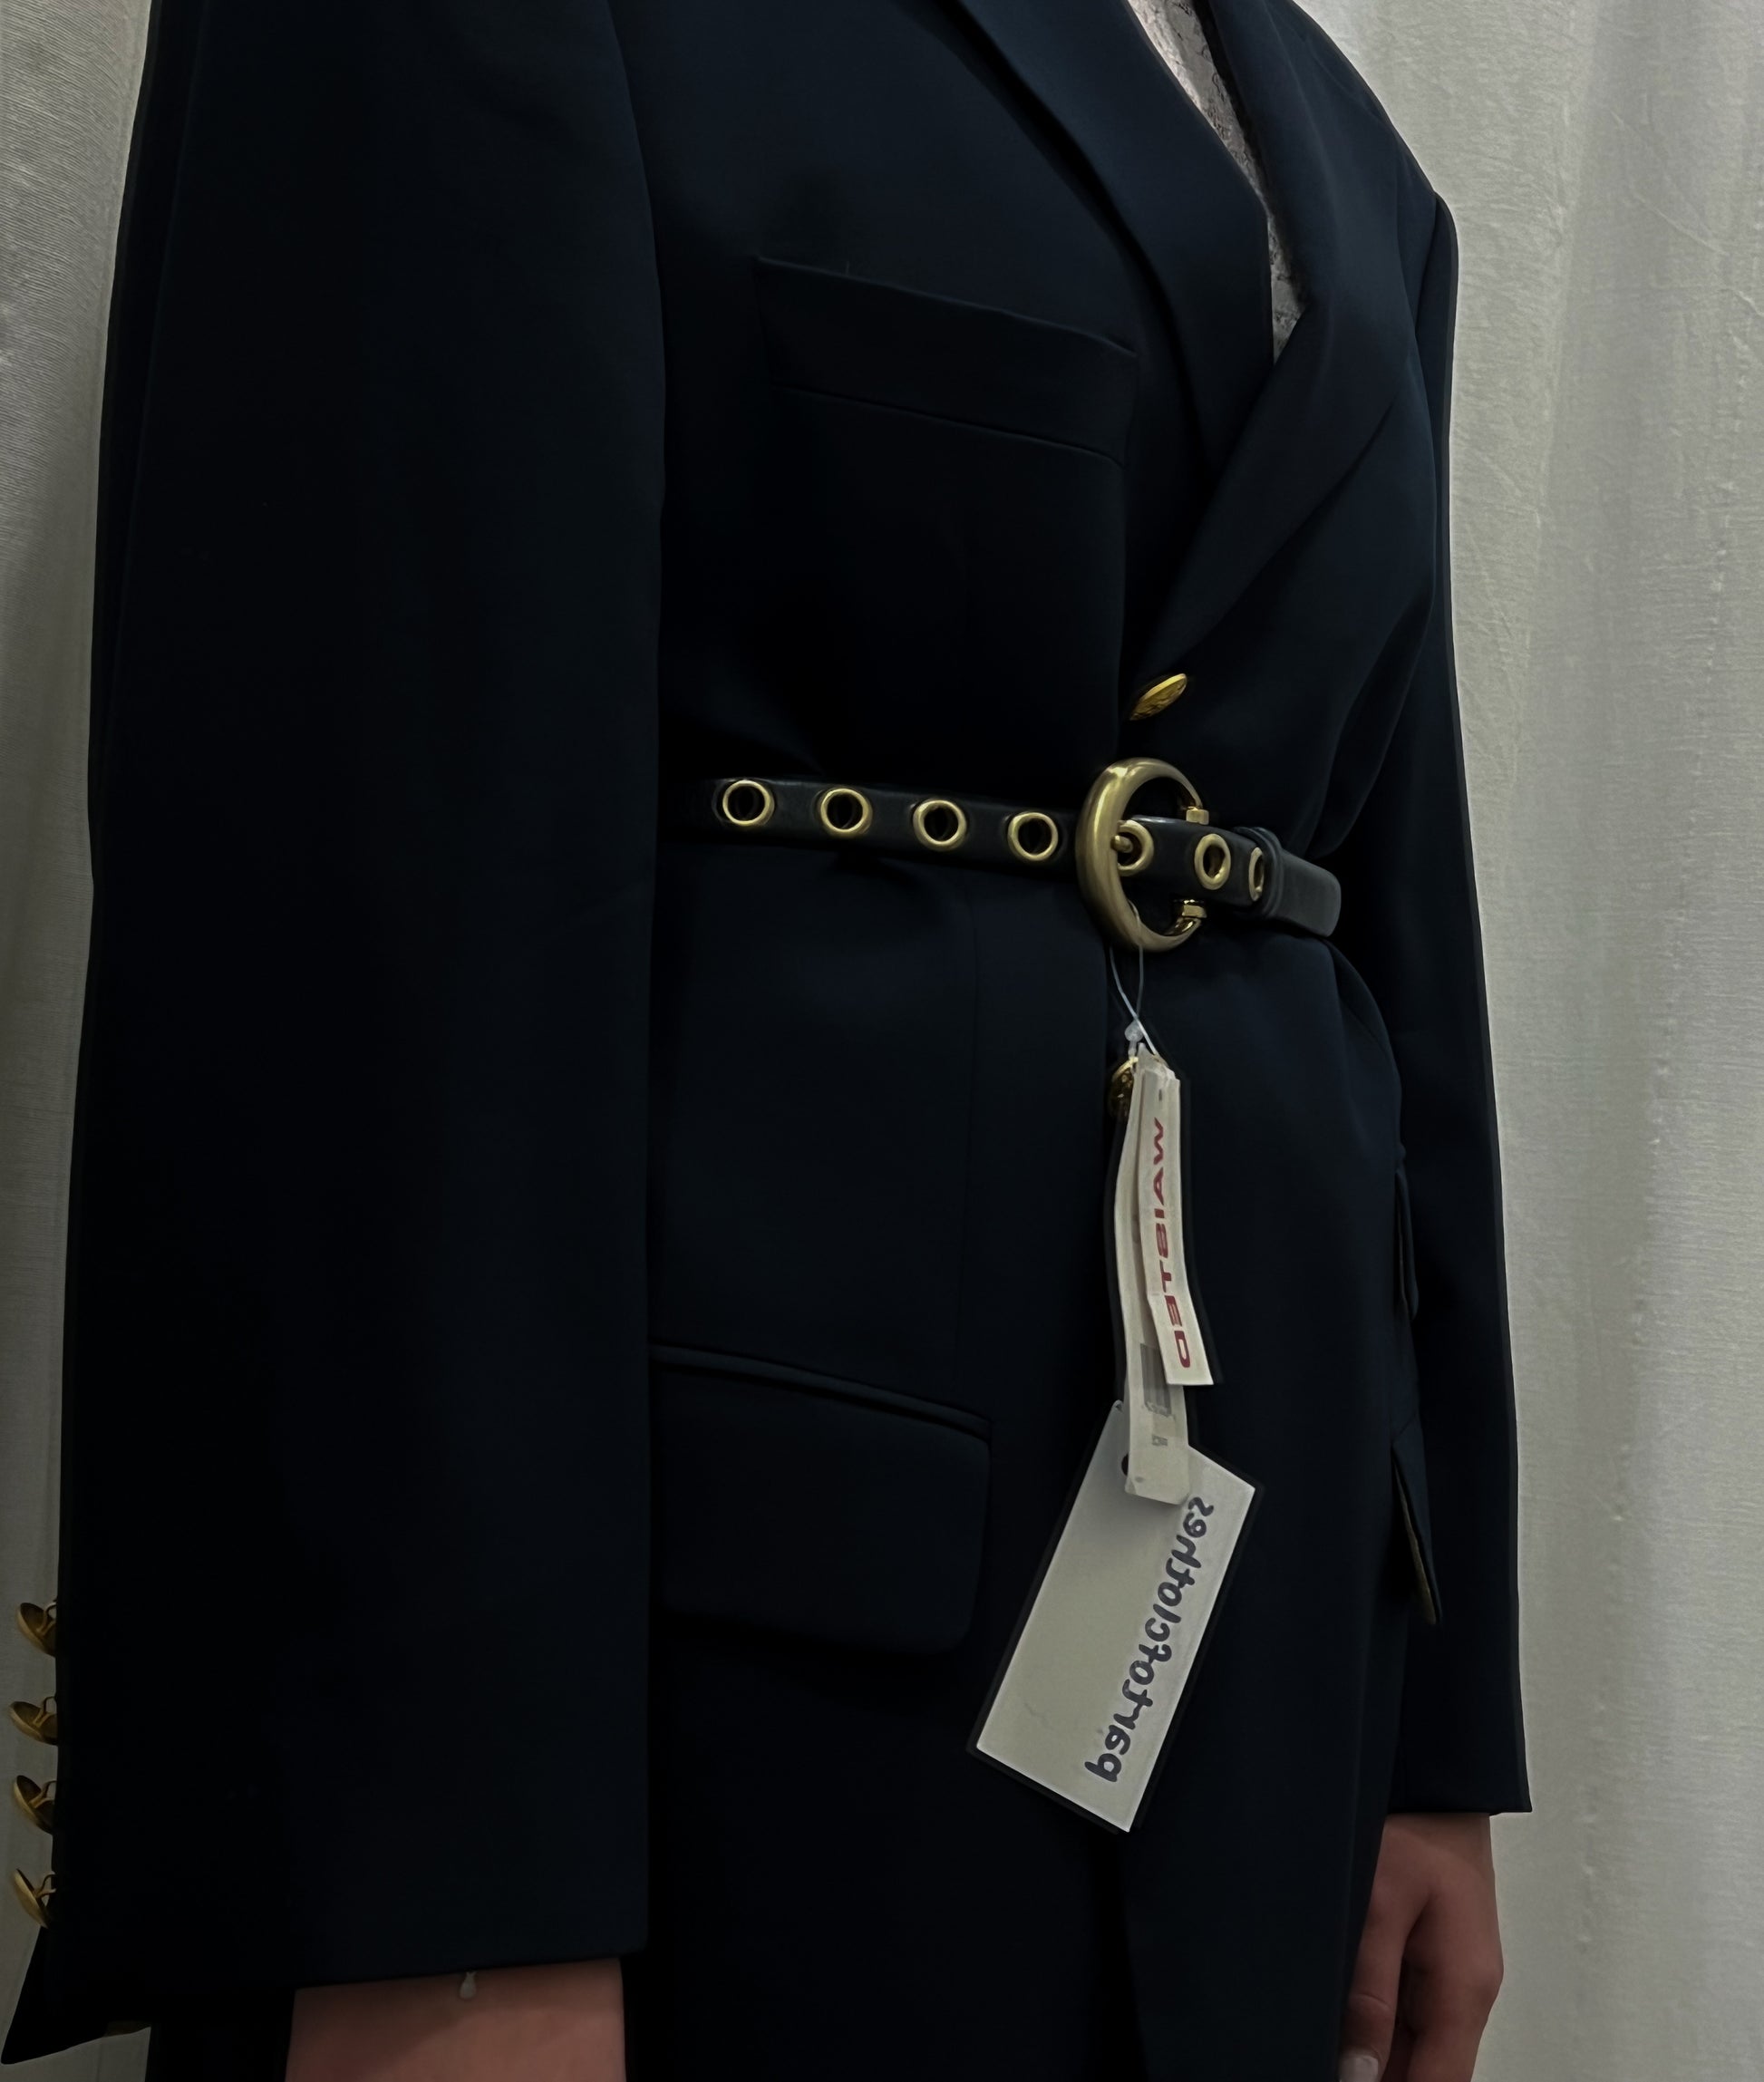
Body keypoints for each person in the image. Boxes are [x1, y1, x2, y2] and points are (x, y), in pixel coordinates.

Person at [4, 0, 1527, 2076]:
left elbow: (1386, 927)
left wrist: (1434, 1725)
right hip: (726, 1706)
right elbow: (335, 903)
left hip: (1258, 1679)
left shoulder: (1350, 160)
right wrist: (435, 1910)